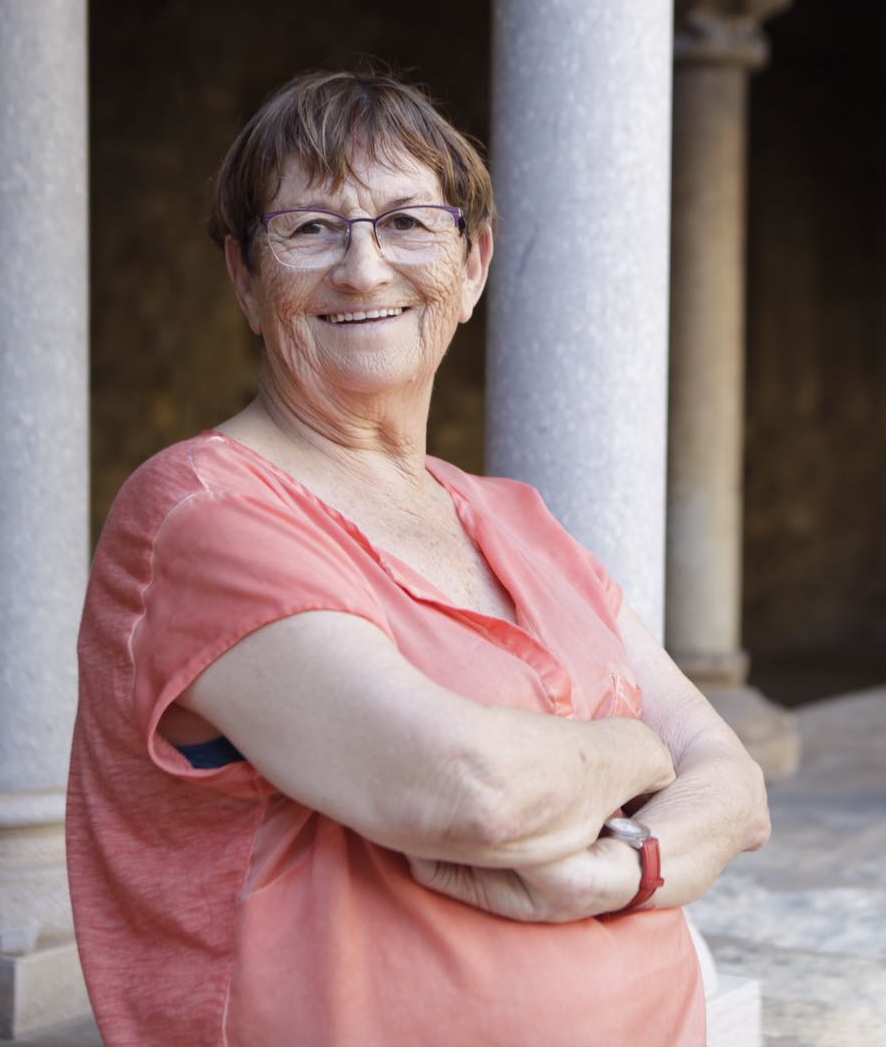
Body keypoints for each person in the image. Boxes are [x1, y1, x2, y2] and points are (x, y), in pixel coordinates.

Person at [67, 69, 770, 1047]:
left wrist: (625, 867)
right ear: (245, 278)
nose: (362, 270)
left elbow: (734, 785)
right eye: (310, 229)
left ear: (472, 264)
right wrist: (636, 750)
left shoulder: (517, 520)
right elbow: (466, 792)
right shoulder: (203, 512)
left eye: (406, 222)